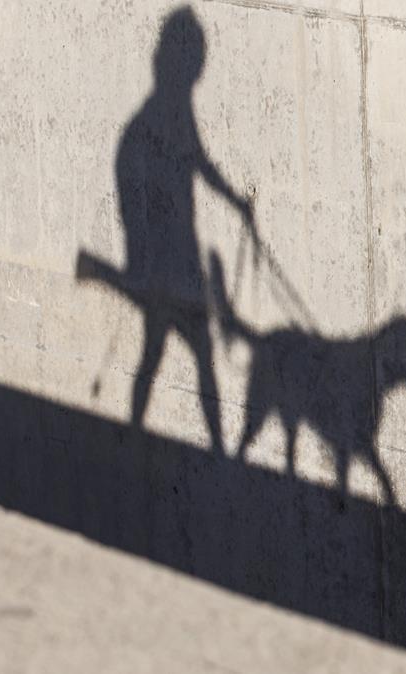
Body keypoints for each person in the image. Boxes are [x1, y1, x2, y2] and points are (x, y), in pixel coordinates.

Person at [77, 7, 256, 455]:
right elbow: (135, 194)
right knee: (193, 354)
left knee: (159, 353)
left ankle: (148, 434)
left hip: (178, 254)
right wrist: (147, 252)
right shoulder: (153, 118)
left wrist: (235, 202)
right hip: (171, 258)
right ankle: (219, 452)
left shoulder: (173, 108)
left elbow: (198, 161)